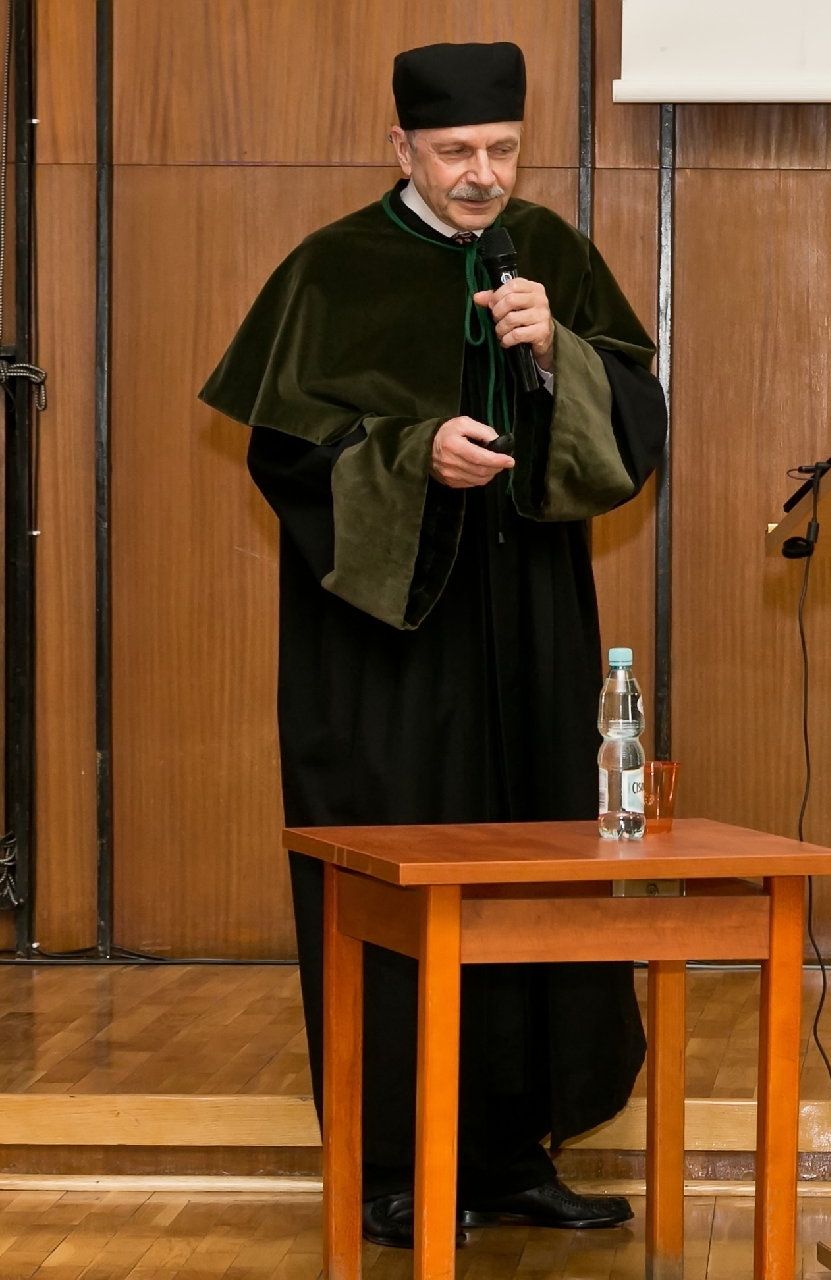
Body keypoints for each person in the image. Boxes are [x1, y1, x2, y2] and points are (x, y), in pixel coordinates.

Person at [198, 41, 666, 1250]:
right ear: (400, 146)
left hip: (532, 621)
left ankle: (513, 1155)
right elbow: (284, 455)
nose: (480, 175)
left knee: (534, 865)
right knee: (401, 879)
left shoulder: (550, 254)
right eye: (455, 152)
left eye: (501, 149)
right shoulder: (332, 268)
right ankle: (394, 1165)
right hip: (386, 649)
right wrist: (415, 454)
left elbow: (638, 421)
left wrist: (559, 353)